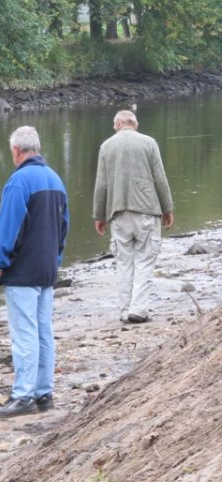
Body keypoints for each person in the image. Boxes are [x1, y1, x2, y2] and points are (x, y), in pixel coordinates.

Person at [0, 126, 69, 418]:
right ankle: (44, 394)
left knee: (24, 334)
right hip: (47, 268)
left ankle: (23, 396)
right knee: (43, 332)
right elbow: (64, 227)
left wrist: (0, 262)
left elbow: (7, 228)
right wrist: (56, 259)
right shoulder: (55, 179)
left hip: (23, 270)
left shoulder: (19, 180)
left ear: (16, 151)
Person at [93, 110, 174, 324]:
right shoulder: (149, 143)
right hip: (147, 210)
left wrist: (99, 215)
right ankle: (138, 309)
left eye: (114, 125)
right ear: (135, 124)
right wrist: (168, 209)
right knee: (145, 260)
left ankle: (124, 309)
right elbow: (160, 179)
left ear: (118, 124)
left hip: (119, 213)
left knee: (124, 262)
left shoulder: (106, 146)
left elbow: (101, 185)